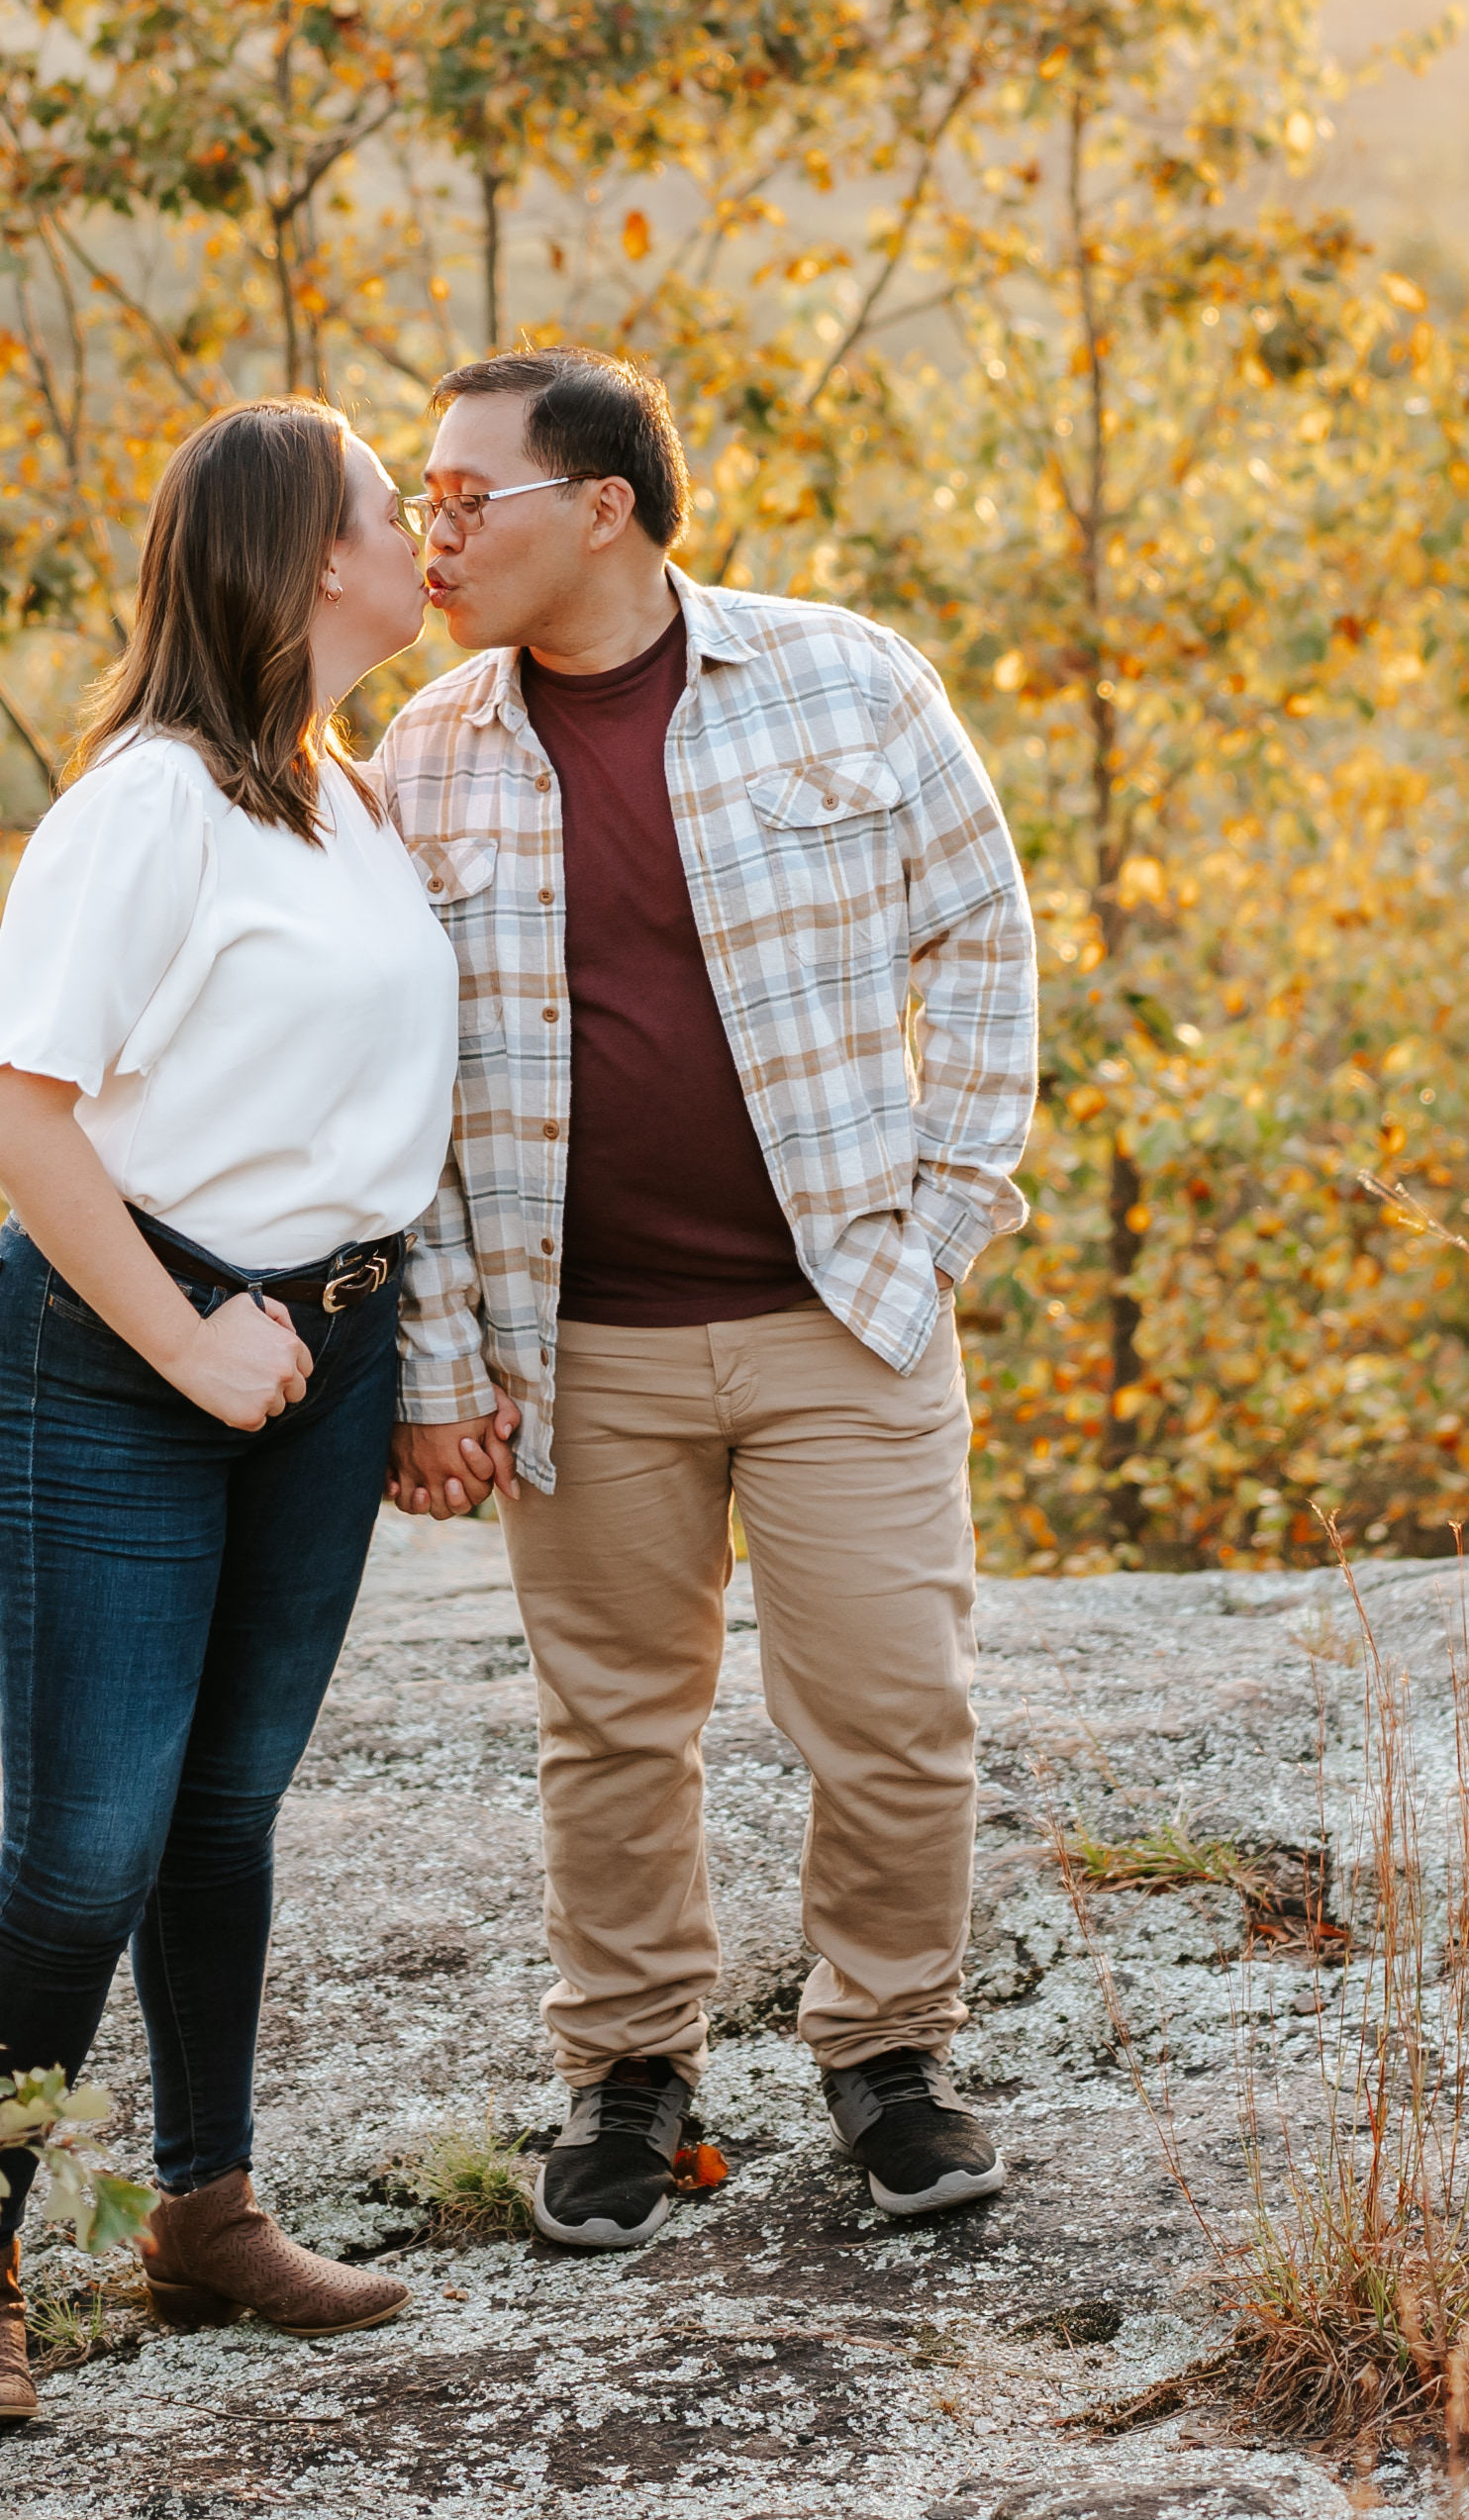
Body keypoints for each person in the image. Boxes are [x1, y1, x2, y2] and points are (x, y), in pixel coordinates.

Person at [372, 347, 1038, 2249]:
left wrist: (938, 1233)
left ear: (604, 507)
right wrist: (445, 1356)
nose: (432, 533)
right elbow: (397, 1093)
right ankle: (629, 2077)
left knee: (898, 1713)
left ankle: (890, 2058)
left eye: (463, 497)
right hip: (580, 1345)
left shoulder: (847, 675)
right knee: (612, 1730)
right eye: (420, 499)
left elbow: (985, 937)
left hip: (845, 1318)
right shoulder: (427, 753)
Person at [0, 398, 459, 2443]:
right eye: (399, 511)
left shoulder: (352, 797)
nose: (424, 534)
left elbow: (388, 1118)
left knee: (223, 1814)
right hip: (123, 1358)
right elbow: (11, 1105)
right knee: (84, 1850)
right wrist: (190, 1332)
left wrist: (400, 1362)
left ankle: (205, 2209)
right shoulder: (143, 805)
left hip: (324, 1362)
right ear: (309, 557)